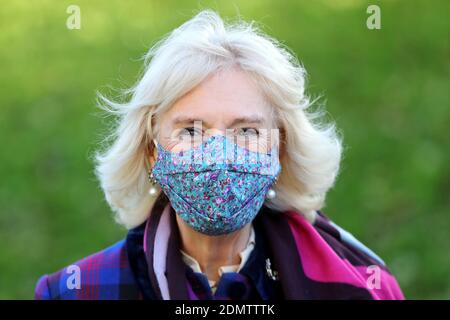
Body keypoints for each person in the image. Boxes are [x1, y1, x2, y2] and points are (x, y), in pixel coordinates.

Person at [35, 10, 404, 300]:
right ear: (151, 152)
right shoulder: (76, 292)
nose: (218, 155)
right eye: (191, 130)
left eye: (246, 131)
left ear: (280, 149)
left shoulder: (363, 288)